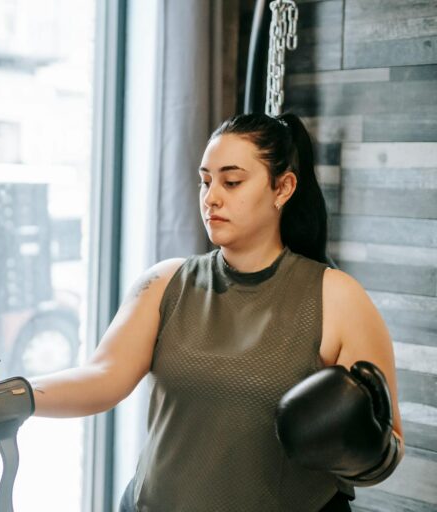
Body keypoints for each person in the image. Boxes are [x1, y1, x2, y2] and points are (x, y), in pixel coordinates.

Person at [30, 112, 404, 511]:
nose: (211, 197)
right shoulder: (165, 283)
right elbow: (102, 377)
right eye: (205, 181)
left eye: (232, 181)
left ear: (283, 188)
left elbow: (390, 444)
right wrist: (13, 396)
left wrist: (362, 447)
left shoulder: (337, 298)